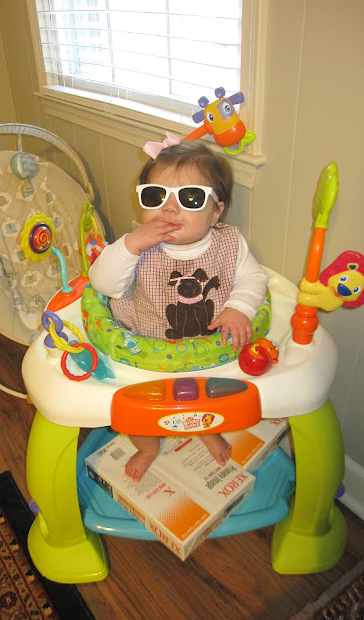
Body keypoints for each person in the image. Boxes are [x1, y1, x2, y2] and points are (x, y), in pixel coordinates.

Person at [89, 136, 268, 482]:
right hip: (147, 353)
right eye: (156, 196)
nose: (169, 208)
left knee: (210, 401)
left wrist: (238, 308)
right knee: (139, 413)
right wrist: (130, 245)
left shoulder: (230, 244)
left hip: (207, 351)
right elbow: (104, 284)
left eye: (190, 198)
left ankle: (206, 429)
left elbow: (254, 279)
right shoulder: (138, 245)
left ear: (216, 211)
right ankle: (147, 446)